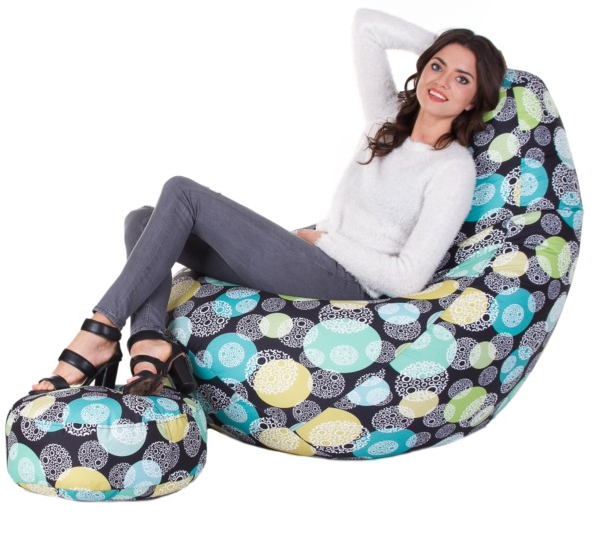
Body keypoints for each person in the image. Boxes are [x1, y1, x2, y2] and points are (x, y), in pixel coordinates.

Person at [30, 8, 507, 397]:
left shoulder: (453, 169)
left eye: (462, 79)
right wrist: (447, 43)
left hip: (350, 282)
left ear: (474, 100)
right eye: (437, 66)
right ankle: (150, 341)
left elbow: (409, 278)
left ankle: (99, 331)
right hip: (312, 257)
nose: (442, 81)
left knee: (183, 192)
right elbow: (367, 25)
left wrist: (325, 241)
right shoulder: (386, 123)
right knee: (142, 220)